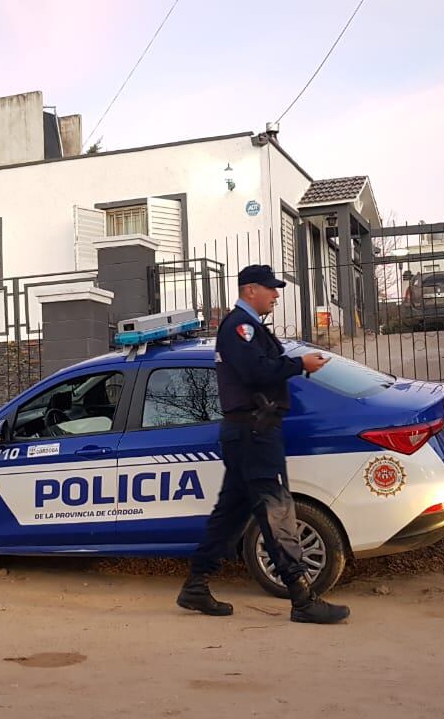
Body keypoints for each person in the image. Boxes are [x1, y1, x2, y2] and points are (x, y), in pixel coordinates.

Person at [176, 264, 350, 624]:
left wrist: (293, 364)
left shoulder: (248, 327)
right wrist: (298, 363)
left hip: (251, 431)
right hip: (254, 433)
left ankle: (196, 585)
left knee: (229, 515)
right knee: (276, 511)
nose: (276, 294)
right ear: (250, 289)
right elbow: (256, 371)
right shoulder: (240, 327)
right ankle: (302, 598)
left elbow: (262, 365)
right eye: (270, 289)